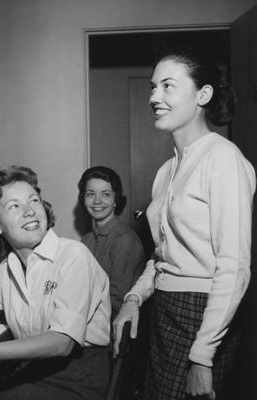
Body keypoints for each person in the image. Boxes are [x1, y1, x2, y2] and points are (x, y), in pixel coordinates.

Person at [113, 48, 256, 400]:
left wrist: (203, 356)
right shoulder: (165, 171)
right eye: (152, 87)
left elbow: (234, 265)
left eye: (167, 86)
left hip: (204, 314)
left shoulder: (223, 159)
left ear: (202, 95)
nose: (154, 97)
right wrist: (134, 297)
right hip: (164, 309)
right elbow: (163, 256)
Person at [0, 165, 111, 400]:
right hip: (34, 370)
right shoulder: (6, 269)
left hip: (77, 379)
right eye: (14, 206)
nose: (29, 211)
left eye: (34, 201)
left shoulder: (74, 255)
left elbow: (61, 343)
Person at [78, 166, 145, 320]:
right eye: (90, 194)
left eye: (106, 194)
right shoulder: (86, 240)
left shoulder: (124, 240)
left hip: (111, 328)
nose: (97, 201)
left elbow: (116, 302)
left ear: (116, 200)